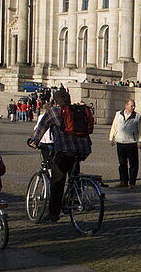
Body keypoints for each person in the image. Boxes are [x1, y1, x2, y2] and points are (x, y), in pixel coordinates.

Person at [28, 88, 93, 222]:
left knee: (57, 181)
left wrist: (34, 142)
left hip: (64, 151)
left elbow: (41, 128)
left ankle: (53, 214)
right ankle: (72, 198)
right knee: (73, 175)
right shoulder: (78, 110)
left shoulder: (54, 111)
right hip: (83, 150)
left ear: (56, 101)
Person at [108, 99, 141, 189]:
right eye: (131, 106)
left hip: (131, 142)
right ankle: (123, 181)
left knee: (133, 164)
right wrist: (111, 138)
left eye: (134, 105)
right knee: (122, 163)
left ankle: (132, 182)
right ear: (126, 106)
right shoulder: (118, 114)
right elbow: (114, 126)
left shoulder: (137, 116)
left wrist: (140, 141)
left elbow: (140, 130)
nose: (133, 107)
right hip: (120, 142)